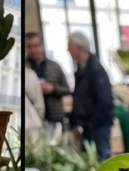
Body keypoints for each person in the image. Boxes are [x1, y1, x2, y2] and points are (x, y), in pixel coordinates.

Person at [67, 32, 114, 160]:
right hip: (89, 127)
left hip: (97, 127)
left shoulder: (95, 70)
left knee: (100, 160)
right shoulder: (82, 69)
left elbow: (105, 101)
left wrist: (89, 124)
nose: (68, 50)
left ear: (79, 48)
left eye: (70, 46)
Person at [25, 32, 70, 128]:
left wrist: (53, 89)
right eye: (29, 47)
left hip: (55, 118)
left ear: (42, 46)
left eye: (35, 46)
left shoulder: (54, 66)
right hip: (33, 119)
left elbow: (67, 89)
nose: (33, 50)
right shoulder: (25, 68)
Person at [24, 66, 45, 140]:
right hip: (32, 120)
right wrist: (40, 116)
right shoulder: (30, 74)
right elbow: (38, 102)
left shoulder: (30, 74)